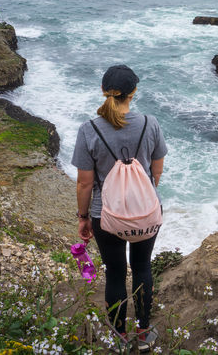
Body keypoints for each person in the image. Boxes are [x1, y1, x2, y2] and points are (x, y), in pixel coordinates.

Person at [72, 64, 167, 352]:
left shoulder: (88, 130)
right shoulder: (150, 123)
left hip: (105, 215)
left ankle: (118, 336)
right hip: (146, 212)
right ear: (134, 92)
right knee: (141, 267)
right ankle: (144, 334)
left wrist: (83, 218)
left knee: (114, 271)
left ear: (104, 92)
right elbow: (157, 172)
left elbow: (85, 184)